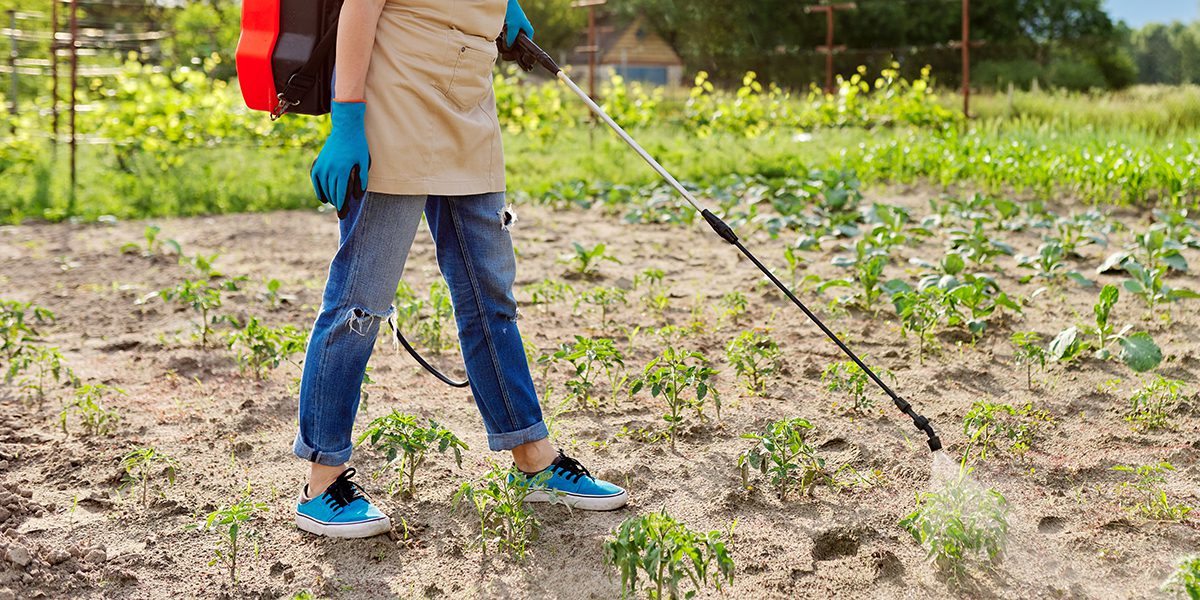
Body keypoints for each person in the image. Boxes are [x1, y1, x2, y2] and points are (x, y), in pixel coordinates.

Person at [293, 0, 629, 538]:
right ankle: (321, 481)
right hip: (392, 110)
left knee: (489, 297)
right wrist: (347, 121)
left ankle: (533, 459)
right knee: (360, 303)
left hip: (468, 110)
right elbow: (358, 11)